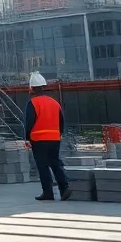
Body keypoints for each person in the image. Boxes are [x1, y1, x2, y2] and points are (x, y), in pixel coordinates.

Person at [26, 72, 71, 201]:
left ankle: (48, 193)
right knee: (55, 163)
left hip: (38, 139)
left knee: (43, 166)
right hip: (55, 138)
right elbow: (61, 121)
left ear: (31, 88)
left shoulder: (32, 103)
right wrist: (59, 134)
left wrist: (27, 138)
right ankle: (64, 188)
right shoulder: (54, 102)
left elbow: (29, 122)